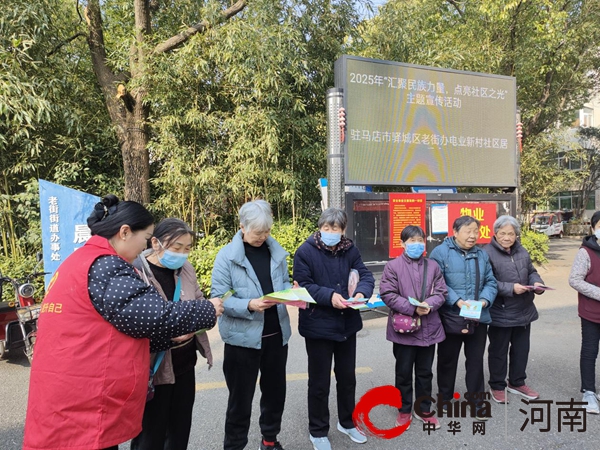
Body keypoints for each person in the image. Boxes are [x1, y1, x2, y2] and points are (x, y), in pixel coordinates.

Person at [23, 195, 223, 450]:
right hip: (82, 400)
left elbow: (121, 326)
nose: (145, 247)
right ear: (125, 232)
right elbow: (156, 316)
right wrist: (206, 309)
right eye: (146, 237)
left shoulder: (83, 260)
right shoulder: (107, 267)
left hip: (69, 389)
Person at [130, 218, 218, 450]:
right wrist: (170, 334)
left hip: (185, 363)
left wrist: (206, 314)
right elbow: (135, 322)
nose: (182, 254)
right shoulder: (136, 271)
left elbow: (198, 301)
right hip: (154, 368)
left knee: (180, 430)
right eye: (176, 247)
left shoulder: (185, 268)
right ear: (156, 242)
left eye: (187, 248)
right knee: (151, 434)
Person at [211, 200, 292, 450]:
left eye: (267, 231)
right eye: (258, 232)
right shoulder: (227, 256)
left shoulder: (276, 252)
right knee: (240, 400)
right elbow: (220, 297)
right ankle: (234, 445)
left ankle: (270, 439)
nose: (263, 237)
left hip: (276, 336)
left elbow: (284, 284)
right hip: (242, 340)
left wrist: (293, 293)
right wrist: (249, 305)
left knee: (275, 394)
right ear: (242, 227)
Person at [293, 207, 375, 450]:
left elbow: (366, 276)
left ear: (343, 230)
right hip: (318, 325)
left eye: (335, 228)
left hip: (347, 324)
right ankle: (318, 431)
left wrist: (361, 292)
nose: (330, 232)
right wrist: (330, 296)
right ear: (320, 228)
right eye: (326, 228)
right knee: (319, 382)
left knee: (347, 377)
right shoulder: (305, 251)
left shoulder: (350, 249)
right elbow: (304, 285)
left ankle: (347, 422)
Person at [379, 225, 448, 430]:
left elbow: (442, 291)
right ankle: (404, 409)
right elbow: (388, 294)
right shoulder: (393, 266)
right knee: (403, 372)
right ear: (402, 243)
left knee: (425, 372)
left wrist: (430, 305)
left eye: (420, 240)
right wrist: (412, 309)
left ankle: (423, 408)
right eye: (412, 241)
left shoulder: (433, 266)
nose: (417, 244)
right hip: (404, 329)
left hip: (430, 327)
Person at [429, 215, 497, 419]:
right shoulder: (440, 253)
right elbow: (437, 282)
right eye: (468, 231)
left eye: (475, 231)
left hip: (477, 316)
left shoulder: (482, 254)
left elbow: (491, 281)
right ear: (455, 232)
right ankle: (445, 398)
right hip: (451, 315)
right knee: (447, 360)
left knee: (476, 360)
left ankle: (476, 401)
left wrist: (484, 300)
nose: (473, 235)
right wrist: (457, 301)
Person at [484, 215, 545, 404]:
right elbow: (487, 282)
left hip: (523, 310)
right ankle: (497, 385)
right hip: (500, 311)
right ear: (495, 234)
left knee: (521, 349)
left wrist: (537, 282)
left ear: (516, 235)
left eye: (511, 234)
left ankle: (517, 382)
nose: (507, 237)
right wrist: (511, 288)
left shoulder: (521, 251)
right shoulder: (486, 253)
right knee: (498, 351)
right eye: (502, 233)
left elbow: (531, 270)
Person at [569, 210, 600, 414]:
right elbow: (575, 279)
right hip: (592, 312)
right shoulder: (586, 252)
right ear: (593, 228)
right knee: (590, 351)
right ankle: (588, 391)